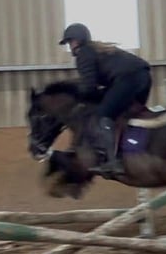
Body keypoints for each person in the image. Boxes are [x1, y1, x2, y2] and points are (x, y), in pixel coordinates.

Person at [59, 22, 153, 177]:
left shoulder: (84, 53)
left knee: (103, 115)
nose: (70, 46)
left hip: (128, 79)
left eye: (71, 41)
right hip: (144, 77)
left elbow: (89, 87)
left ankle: (113, 162)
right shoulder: (99, 50)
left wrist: (77, 98)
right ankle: (133, 150)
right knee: (126, 114)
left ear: (79, 39)